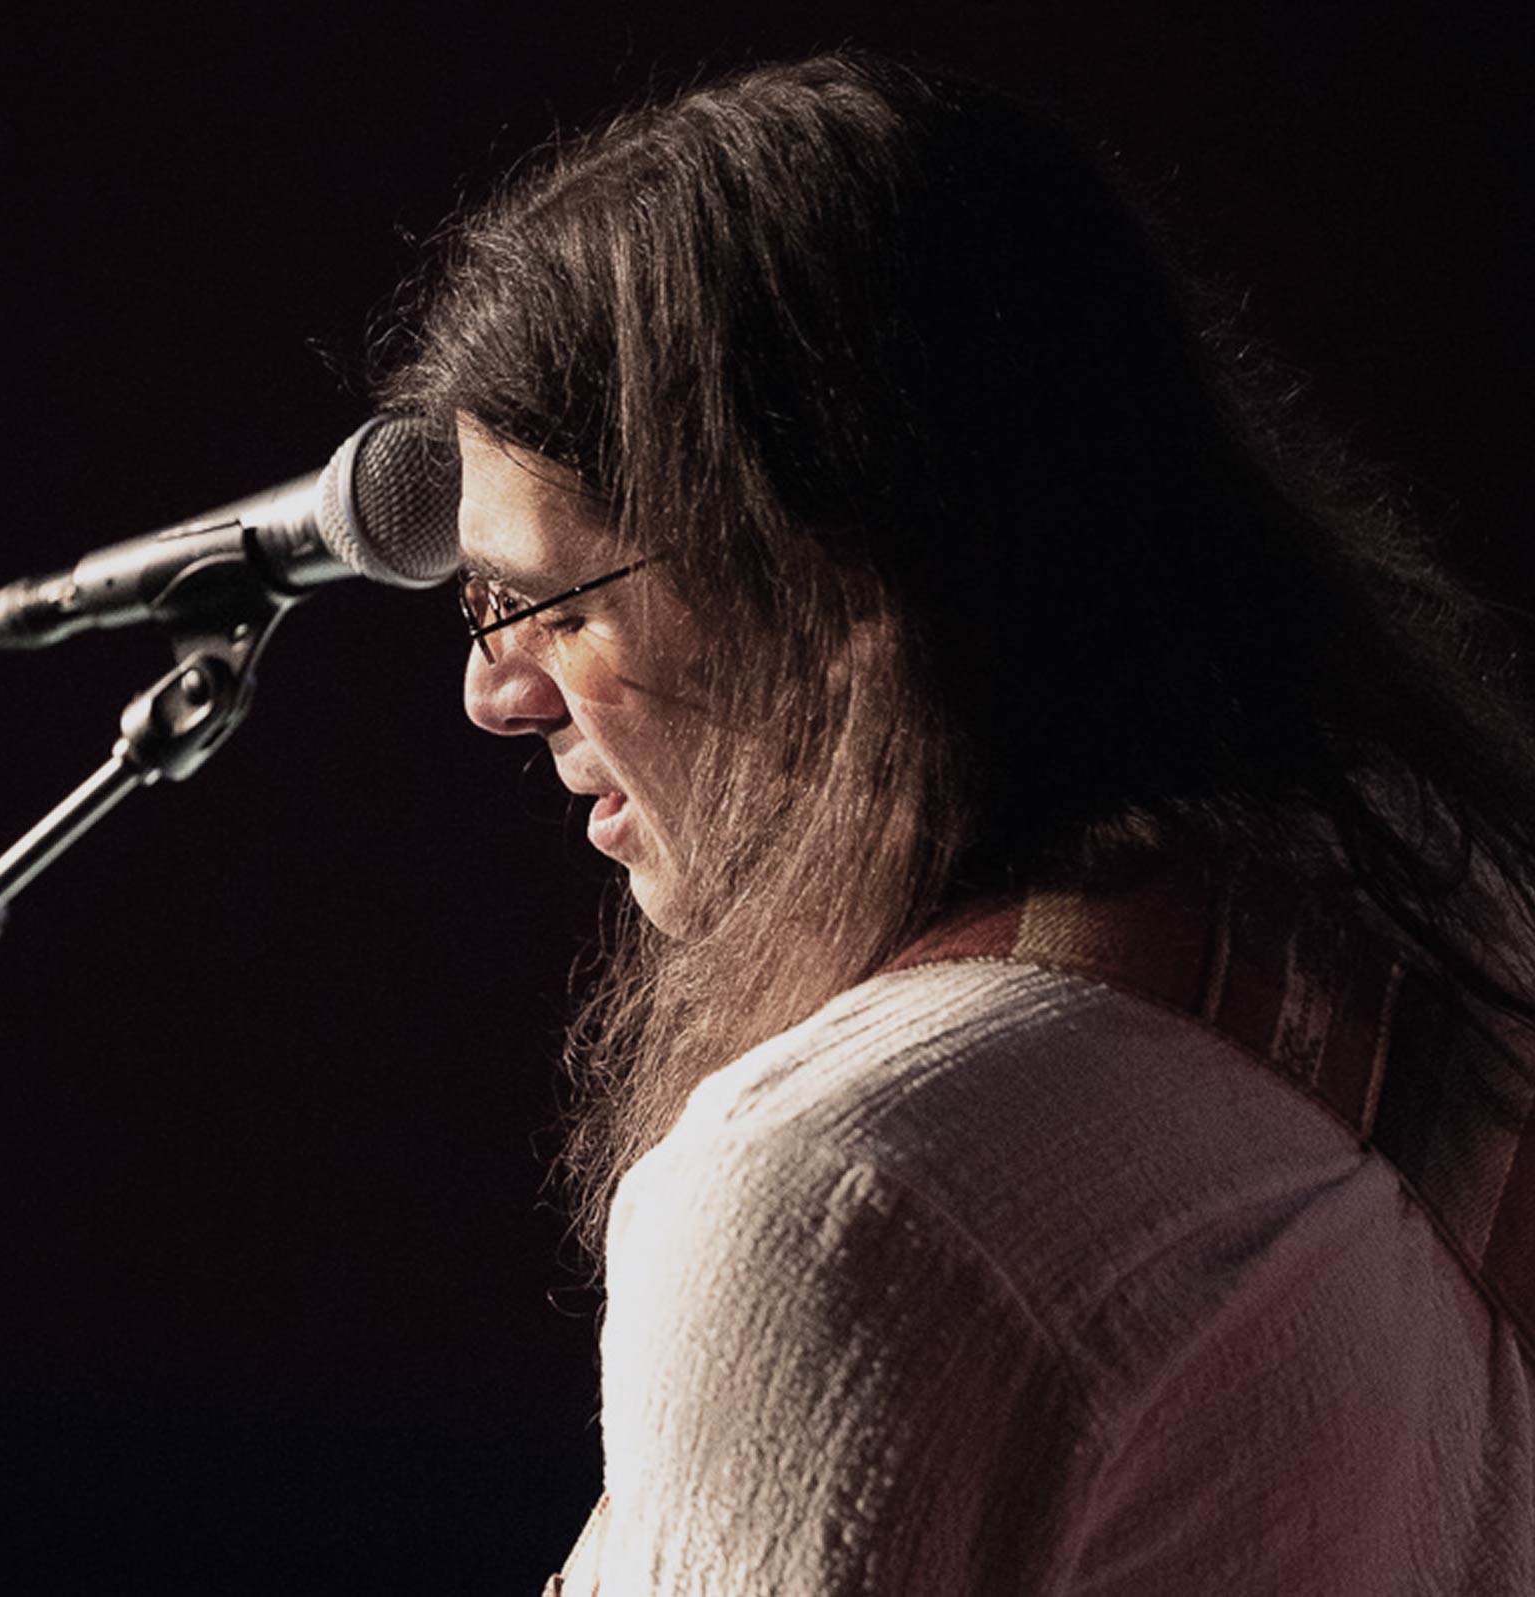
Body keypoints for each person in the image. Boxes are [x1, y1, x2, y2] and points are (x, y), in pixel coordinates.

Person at [382, 52, 1535, 1594]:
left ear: (832, 589)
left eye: (553, 602)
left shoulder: (849, 1178)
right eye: (481, 601)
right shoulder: (1444, 927)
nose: (495, 689)